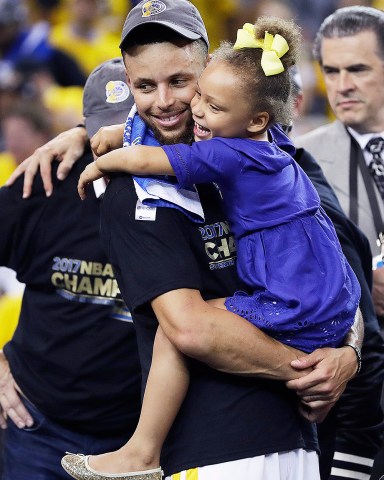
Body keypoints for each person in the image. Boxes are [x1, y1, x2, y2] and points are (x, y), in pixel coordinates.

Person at [8, 2, 363, 479]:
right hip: (192, 441)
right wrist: (311, 370)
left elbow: (343, 281)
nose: (166, 101)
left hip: (271, 441)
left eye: (182, 82)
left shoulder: (278, 156)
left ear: (213, 73)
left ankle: (141, 450)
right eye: (145, 87)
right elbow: (192, 328)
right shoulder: (130, 193)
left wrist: (348, 354)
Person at [0, 57, 142, 480]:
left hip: (137, 441)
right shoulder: (42, 184)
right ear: (87, 128)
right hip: (38, 428)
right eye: (102, 129)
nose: (117, 141)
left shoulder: (186, 194)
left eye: (131, 127)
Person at [294, 7, 384, 478]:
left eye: (358, 69)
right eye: (331, 70)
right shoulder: (302, 163)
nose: (342, 84)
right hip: (355, 395)